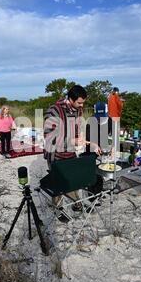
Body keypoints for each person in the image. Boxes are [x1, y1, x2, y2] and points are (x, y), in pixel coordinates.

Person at [43, 85, 101, 222]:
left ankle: (77, 203)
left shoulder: (78, 110)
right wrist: (72, 140)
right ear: (70, 99)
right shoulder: (54, 111)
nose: (82, 106)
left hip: (70, 152)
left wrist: (90, 143)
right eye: (79, 102)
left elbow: (76, 132)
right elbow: (49, 137)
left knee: (73, 179)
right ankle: (58, 210)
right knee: (59, 184)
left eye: (83, 103)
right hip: (55, 154)